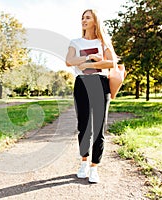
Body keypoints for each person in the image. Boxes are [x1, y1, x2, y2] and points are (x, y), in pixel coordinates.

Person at [65, 9, 118, 183]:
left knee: (98, 128)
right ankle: (84, 162)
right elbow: (69, 61)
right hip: (82, 83)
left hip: (100, 83)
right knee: (83, 126)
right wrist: (90, 59)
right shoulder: (75, 42)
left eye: (88, 17)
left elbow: (112, 62)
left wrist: (96, 59)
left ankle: (95, 167)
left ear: (95, 21)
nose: (84, 20)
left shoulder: (103, 42)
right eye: (82, 18)